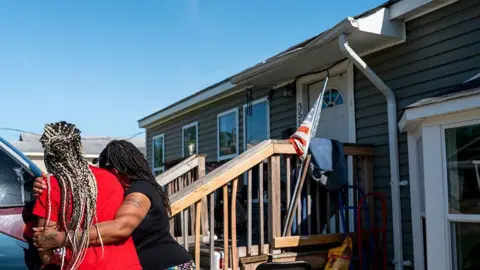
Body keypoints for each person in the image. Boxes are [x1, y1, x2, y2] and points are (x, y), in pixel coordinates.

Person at [33, 139, 194, 270]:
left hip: (168, 265)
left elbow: (120, 228)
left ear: (115, 171)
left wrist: (62, 238)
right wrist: (49, 184)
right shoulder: (127, 191)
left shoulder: (140, 190)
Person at [31, 121, 141, 270]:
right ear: (79, 147)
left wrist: (55, 254)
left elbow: (46, 252)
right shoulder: (111, 179)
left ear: (48, 154)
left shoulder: (49, 187)